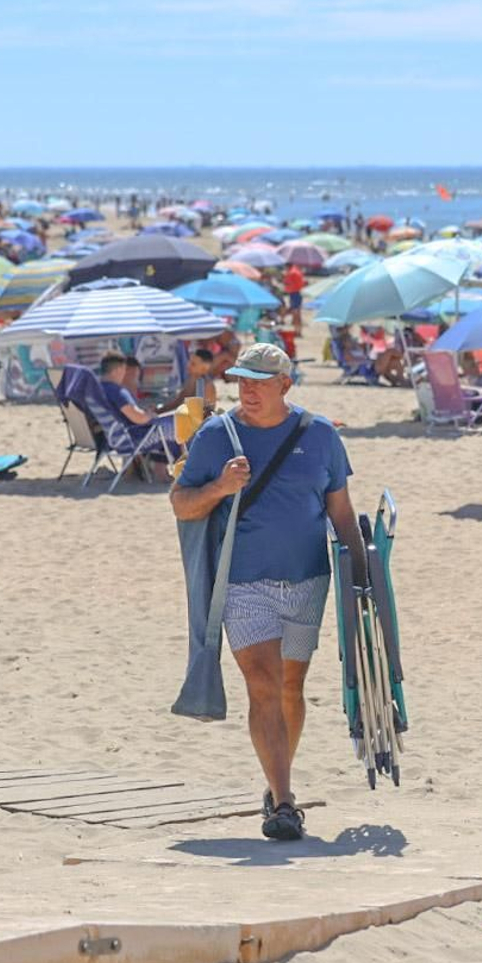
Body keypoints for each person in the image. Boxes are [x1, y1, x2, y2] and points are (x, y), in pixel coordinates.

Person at [170, 343, 363, 841]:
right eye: (242, 380)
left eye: (259, 380)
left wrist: (363, 573)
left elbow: (340, 510)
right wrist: (218, 488)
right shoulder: (216, 437)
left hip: (308, 580)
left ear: (285, 385)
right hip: (241, 584)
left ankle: (277, 778)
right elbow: (181, 505)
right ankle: (283, 801)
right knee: (262, 681)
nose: (249, 389)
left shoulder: (319, 435)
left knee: (290, 688)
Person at [98, 352, 156, 434]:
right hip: (133, 439)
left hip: (109, 438)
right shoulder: (117, 391)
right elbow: (140, 418)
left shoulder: (98, 390)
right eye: (124, 369)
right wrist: (151, 414)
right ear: (118, 370)